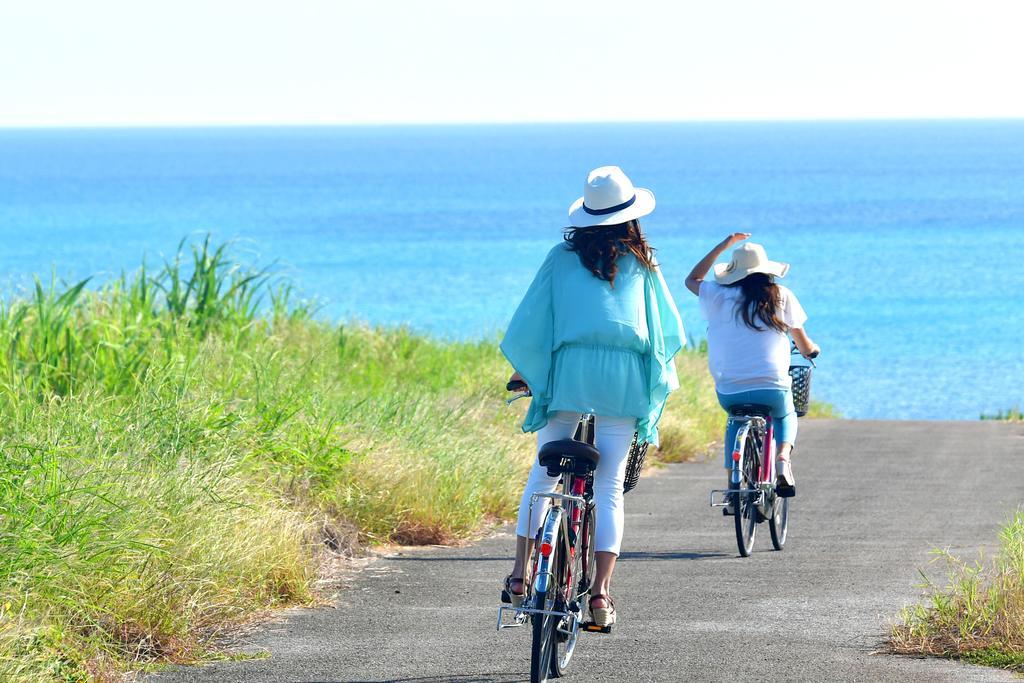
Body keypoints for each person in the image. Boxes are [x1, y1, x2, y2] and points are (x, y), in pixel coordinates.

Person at [499, 166, 684, 627]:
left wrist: (526, 371)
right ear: (631, 217)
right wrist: (654, 379)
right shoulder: (643, 264)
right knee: (608, 486)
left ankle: (521, 577)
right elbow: (666, 330)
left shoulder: (560, 258)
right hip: (622, 383)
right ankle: (600, 596)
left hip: (568, 376)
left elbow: (533, 321)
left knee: (542, 476)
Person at [684, 233, 819, 498]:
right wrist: (811, 350)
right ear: (766, 270)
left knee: (735, 417)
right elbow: (803, 343)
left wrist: (723, 246)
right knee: (784, 414)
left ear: (734, 272)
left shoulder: (717, 294)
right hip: (771, 388)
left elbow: (692, 280)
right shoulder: (781, 295)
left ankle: (734, 484)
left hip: (729, 388)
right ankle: (782, 459)